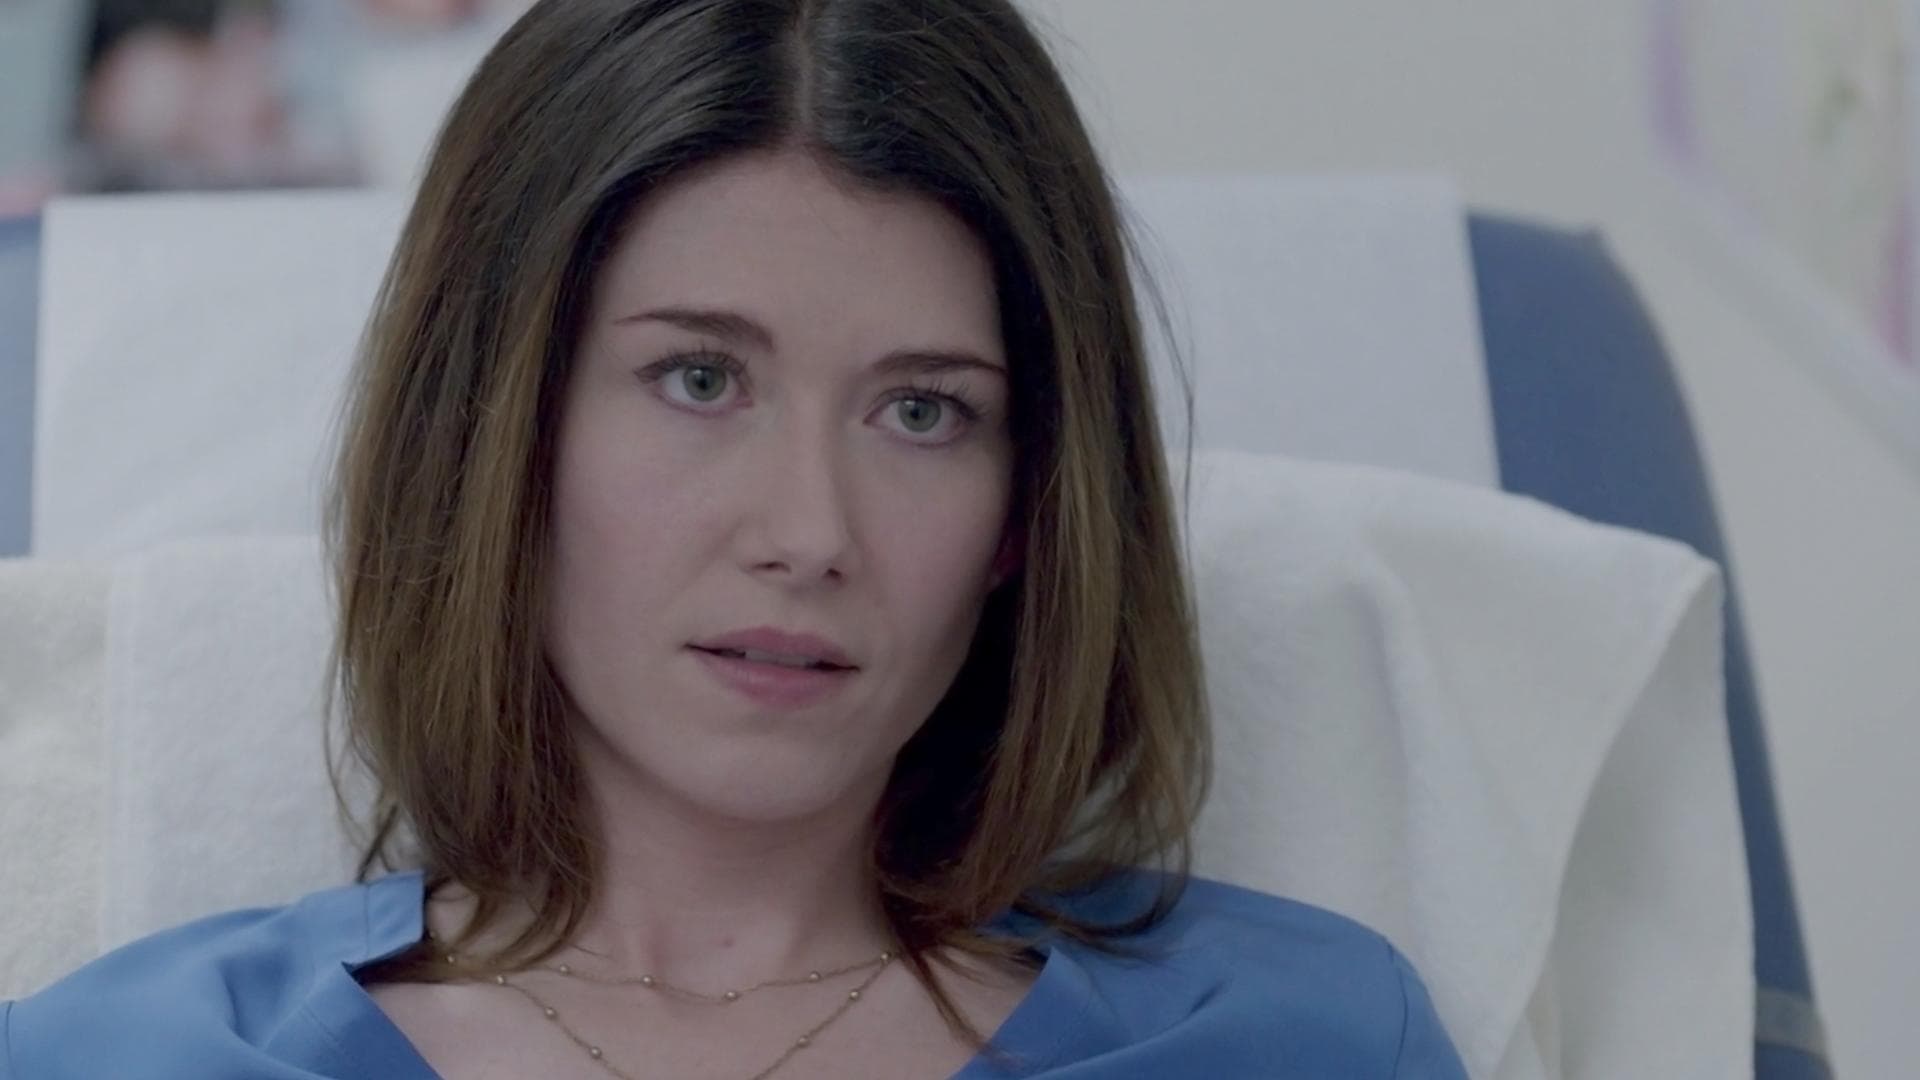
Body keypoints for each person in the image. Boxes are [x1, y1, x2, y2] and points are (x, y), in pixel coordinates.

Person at [1, 1, 1470, 1076]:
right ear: (494, 435)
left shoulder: (1305, 1039)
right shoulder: (126, 1058)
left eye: (924, 413)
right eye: (699, 379)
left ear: (1029, 511)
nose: (810, 533)